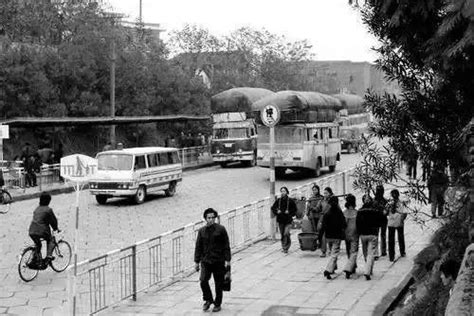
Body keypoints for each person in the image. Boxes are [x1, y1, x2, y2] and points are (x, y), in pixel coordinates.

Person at [194, 208, 231, 313]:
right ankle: (208, 299)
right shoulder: (201, 231)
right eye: (208, 218)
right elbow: (198, 247)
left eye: (212, 218)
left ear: (215, 218)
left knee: (218, 284)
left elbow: (226, 245)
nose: (210, 220)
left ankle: (218, 304)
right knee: (203, 281)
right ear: (205, 219)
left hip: (218, 261)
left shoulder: (221, 229)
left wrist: (228, 260)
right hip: (206, 261)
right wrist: (196, 262)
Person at [356, 194, 386, 280]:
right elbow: (382, 220)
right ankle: (368, 270)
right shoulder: (375, 211)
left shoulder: (360, 211)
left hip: (363, 235)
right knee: (371, 253)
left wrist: (359, 233)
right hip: (373, 234)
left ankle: (368, 268)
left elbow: (357, 224)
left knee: (366, 253)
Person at [28, 192, 59, 266]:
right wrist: (56, 228)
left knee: (38, 244)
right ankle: (49, 256)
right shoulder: (48, 210)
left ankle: (34, 259)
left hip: (32, 230)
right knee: (51, 240)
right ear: (48, 201)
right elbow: (53, 221)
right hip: (42, 231)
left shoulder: (37, 209)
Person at [320, 196, 346, 280]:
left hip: (328, 236)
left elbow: (323, 226)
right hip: (337, 236)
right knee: (334, 254)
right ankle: (328, 270)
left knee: (332, 252)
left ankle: (333, 268)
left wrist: (319, 237)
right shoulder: (339, 213)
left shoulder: (327, 213)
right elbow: (344, 224)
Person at [271, 186, 297, 253]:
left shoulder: (290, 201)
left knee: (286, 233)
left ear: (287, 192)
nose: (283, 192)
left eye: (284, 191)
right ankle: (284, 247)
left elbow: (295, 210)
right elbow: (273, 208)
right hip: (281, 220)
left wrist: (290, 213)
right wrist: (277, 211)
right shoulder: (278, 200)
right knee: (282, 234)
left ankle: (287, 246)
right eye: (281, 191)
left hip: (288, 220)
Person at [386, 189, 408, 262]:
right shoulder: (401, 202)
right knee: (401, 238)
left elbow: (385, 212)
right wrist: (402, 219)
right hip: (399, 222)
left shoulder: (389, 203)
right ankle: (402, 251)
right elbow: (405, 212)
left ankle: (391, 256)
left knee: (391, 240)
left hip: (391, 223)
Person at [343, 194, 359, 279]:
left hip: (346, 234)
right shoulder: (356, 213)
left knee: (349, 251)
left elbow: (343, 224)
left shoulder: (344, 212)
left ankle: (353, 265)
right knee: (353, 252)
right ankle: (349, 268)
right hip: (355, 234)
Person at [315, 187, 334, 257]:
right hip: (323, 219)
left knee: (331, 235)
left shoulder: (333, 201)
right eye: (324, 193)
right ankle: (323, 251)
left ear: (330, 193)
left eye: (326, 193)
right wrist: (313, 208)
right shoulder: (321, 201)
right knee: (322, 235)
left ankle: (331, 249)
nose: (325, 194)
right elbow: (317, 208)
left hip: (331, 220)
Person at [373, 185, 388, 258]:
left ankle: (378, 252)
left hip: (377, 219)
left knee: (377, 236)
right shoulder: (384, 200)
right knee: (382, 236)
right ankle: (383, 251)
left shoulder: (374, 201)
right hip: (381, 219)